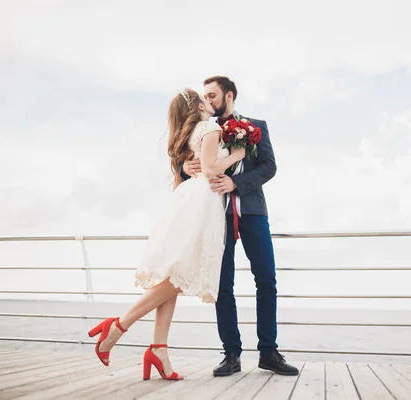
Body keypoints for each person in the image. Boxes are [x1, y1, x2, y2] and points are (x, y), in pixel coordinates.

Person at [88, 88, 245, 381]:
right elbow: (211, 169)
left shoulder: (187, 135)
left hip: (188, 199)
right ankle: (118, 326)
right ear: (198, 106)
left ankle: (159, 348)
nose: (209, 102)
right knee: (181, 275)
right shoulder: (210, 127)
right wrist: (236, 154)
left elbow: (188, 173)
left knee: (172, 275)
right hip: (202, 201)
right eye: (204, 98)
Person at [182, 76, 299, 376]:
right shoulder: (201, 128)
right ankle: (231, 354)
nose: (206, 101)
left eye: (212, 95)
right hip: (214, 215)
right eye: (204, 96)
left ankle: (269, 352)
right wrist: (184, 167)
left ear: (229, 95)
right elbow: (184, 169)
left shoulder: (256, 125)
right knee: (222, 284)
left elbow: (269, 166)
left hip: (253, 211)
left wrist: (236, 182)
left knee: (267, 280)